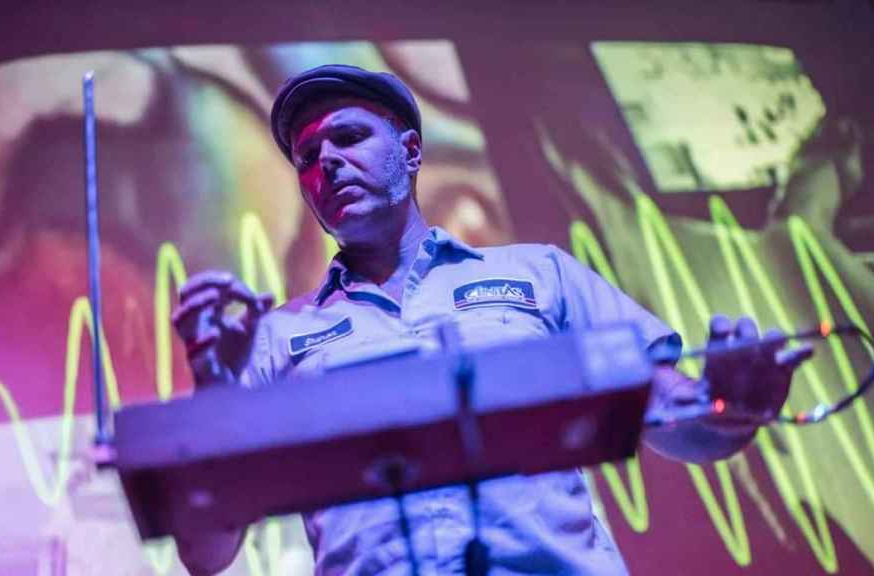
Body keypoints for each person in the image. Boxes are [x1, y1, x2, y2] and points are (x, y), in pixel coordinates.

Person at [170, 64, 811, 576]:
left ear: (411, 149)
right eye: (308, 156)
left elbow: (684, 424)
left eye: (350, 137)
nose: (327, 162)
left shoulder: (542, 274)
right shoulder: (275, 338)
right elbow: (205, 555)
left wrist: (740, 402)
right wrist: (214, 391)